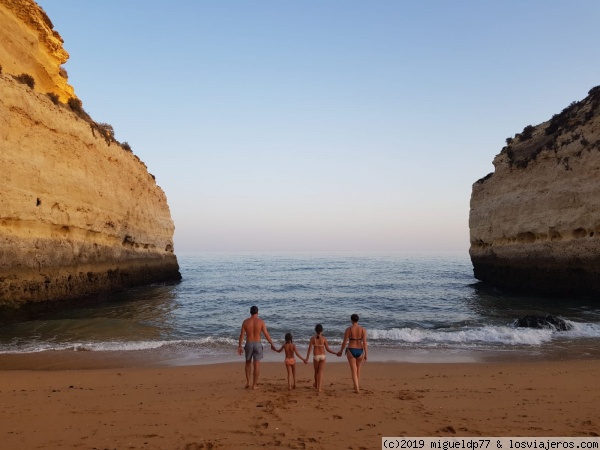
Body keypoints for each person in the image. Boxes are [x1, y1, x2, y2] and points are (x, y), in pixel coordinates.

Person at [237, 305, 275, 389]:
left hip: (249, 343)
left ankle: (248, 382)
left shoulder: (245, 322)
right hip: (257, 344)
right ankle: (254, 385)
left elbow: (242, 335)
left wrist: (239, 346)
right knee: (257, 364)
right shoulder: (261, 322)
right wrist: (271, 343)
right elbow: (266, 334)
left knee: (247, 363)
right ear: (257, 313)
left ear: (250, 312)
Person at [338, 313, 368, 393]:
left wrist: (341, 351)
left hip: (351, 349)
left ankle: (356, 388)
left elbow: (344, 342)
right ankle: (356, 385)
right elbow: (365, 343)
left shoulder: (349, 329)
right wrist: (366, 354)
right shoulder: (363, 330)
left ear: (351, 320)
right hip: (360, 350)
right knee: (358, 369)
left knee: (353, 371)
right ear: (358, 320)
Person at [305, 324, 337, 394]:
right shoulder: (324, 339)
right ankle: (319, 388)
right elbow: (328, 349)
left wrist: (307, 358)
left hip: (316, 356)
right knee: (320, 372)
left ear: (315, 330)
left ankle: (316, 385)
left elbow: (309, 349)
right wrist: (336, 353)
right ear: (322, 330)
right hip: (323, 356)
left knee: (316, 372)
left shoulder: (313, 338)